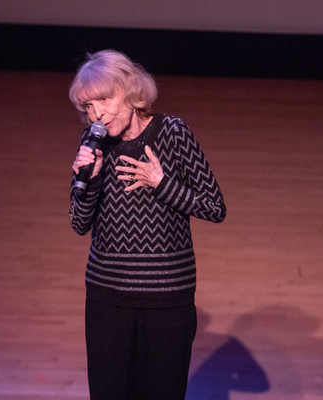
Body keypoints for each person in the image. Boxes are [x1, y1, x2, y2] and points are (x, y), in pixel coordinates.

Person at [68, 49, 226, 400]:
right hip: (107, 298)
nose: (97, 114)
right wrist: (90, 179)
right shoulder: (94, 144)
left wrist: (162, 183)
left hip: (166, 299)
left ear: (130, 89)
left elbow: (215, 207)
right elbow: (79, 223)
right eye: (88, 107)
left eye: (104, 100)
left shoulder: (172, 132)